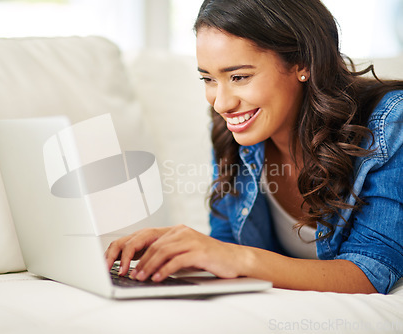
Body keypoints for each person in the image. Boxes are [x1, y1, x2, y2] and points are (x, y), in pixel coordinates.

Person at [105, 0, 403, 294]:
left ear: (304, 63)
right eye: (208, 79)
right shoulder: (230, 128)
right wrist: (181, 251)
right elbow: (229, 241)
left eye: (239, 77)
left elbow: (370, 272)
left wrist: (238, 258)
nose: (221, 103)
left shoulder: (389, 123)